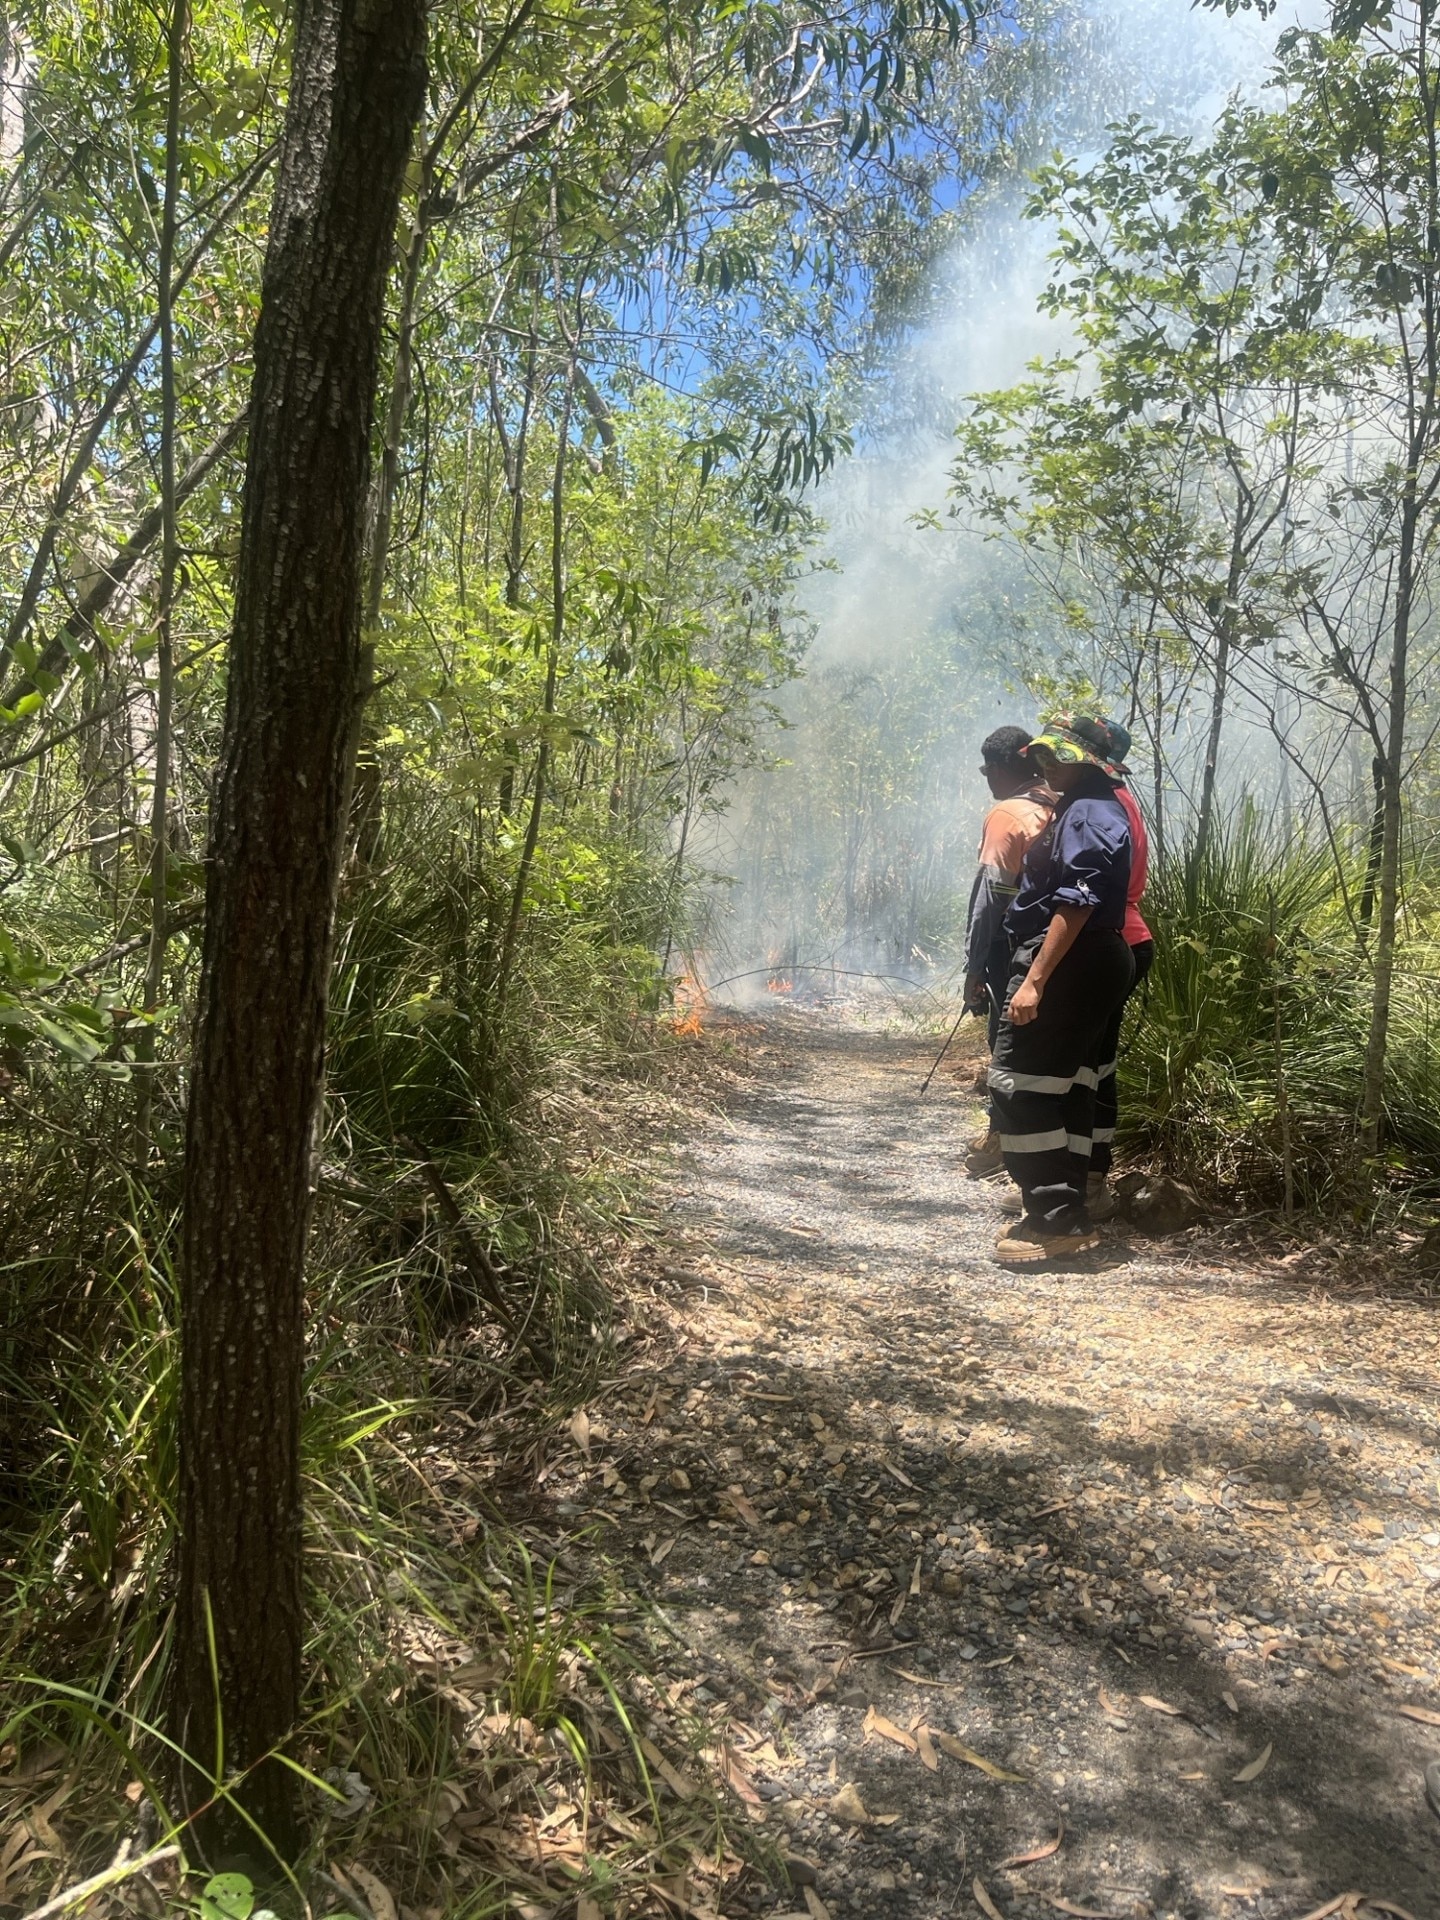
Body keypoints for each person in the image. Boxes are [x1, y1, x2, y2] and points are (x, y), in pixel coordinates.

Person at [987, 714, 1136, 1263]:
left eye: (1055, 756)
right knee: (1067, 1086)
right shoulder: (1081, 807)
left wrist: (1035, 981)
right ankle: (1065, 1208)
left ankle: (1054, 1222)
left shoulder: (1091, 813)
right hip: (1083, 959)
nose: (1045, 764)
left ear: (1082, 762)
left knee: (1018, 1085)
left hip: (1072, 960)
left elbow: (1078, 900)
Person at [961, 726, 1055, 1176]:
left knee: (1005, 1041)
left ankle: (1000, 1138)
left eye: (986, 770)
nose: (986, 779)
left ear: (998, 769)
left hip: (1013, 946)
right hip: (1060, 943)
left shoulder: (1007, 814)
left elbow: (990, 899)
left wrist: (975, 965)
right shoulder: (1060, 804)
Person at [1088, 767, 1154, 1219]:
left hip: (1111, 941)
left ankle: (1087, 1186)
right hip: (1128, 938)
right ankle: (1085, 1182)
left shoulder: (1103, 806)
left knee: (1086, 1068)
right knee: (1095, 1065)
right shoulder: (1121, 799)